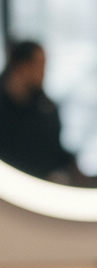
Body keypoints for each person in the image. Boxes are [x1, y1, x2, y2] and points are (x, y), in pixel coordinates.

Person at [0, 40, 77, 180]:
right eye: (39, 65)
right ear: (21, 66)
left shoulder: (46, 107)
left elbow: (53, 151)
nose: (43, 72)